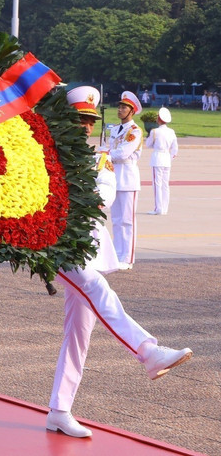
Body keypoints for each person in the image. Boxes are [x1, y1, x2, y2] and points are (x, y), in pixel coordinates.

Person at [47, 87, 192, 438]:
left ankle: (59, 409)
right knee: (97, 288)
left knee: (80, 331)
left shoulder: (99, 159)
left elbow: (105, 194)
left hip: (88, 247)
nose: (84, 127)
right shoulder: (46, 157)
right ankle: (147, 351)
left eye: (89, 122)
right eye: (79, 120)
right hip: (58, 244)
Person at [105, 91, 143, 270]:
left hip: (127, 178)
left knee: (128, 221)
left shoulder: (134, 131)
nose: (120, 110)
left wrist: (105, 154)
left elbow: (122, 153)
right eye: (119, 107)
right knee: (117, 219)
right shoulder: (114, 129)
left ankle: (127, 258)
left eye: (124, 107)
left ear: (132, 111)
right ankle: (118, 254)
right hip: (114, 177)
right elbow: (108, 147)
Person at [145, 107, 178, 216]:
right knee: (165, 185)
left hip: (157, 157)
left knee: (157, 184)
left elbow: (148, 144)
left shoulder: (155, 131)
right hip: (167, 158)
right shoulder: (171, 131)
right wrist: (170, 158)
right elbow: (175, 149)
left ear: (159, 119)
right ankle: (164, 208)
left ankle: (158, 208)